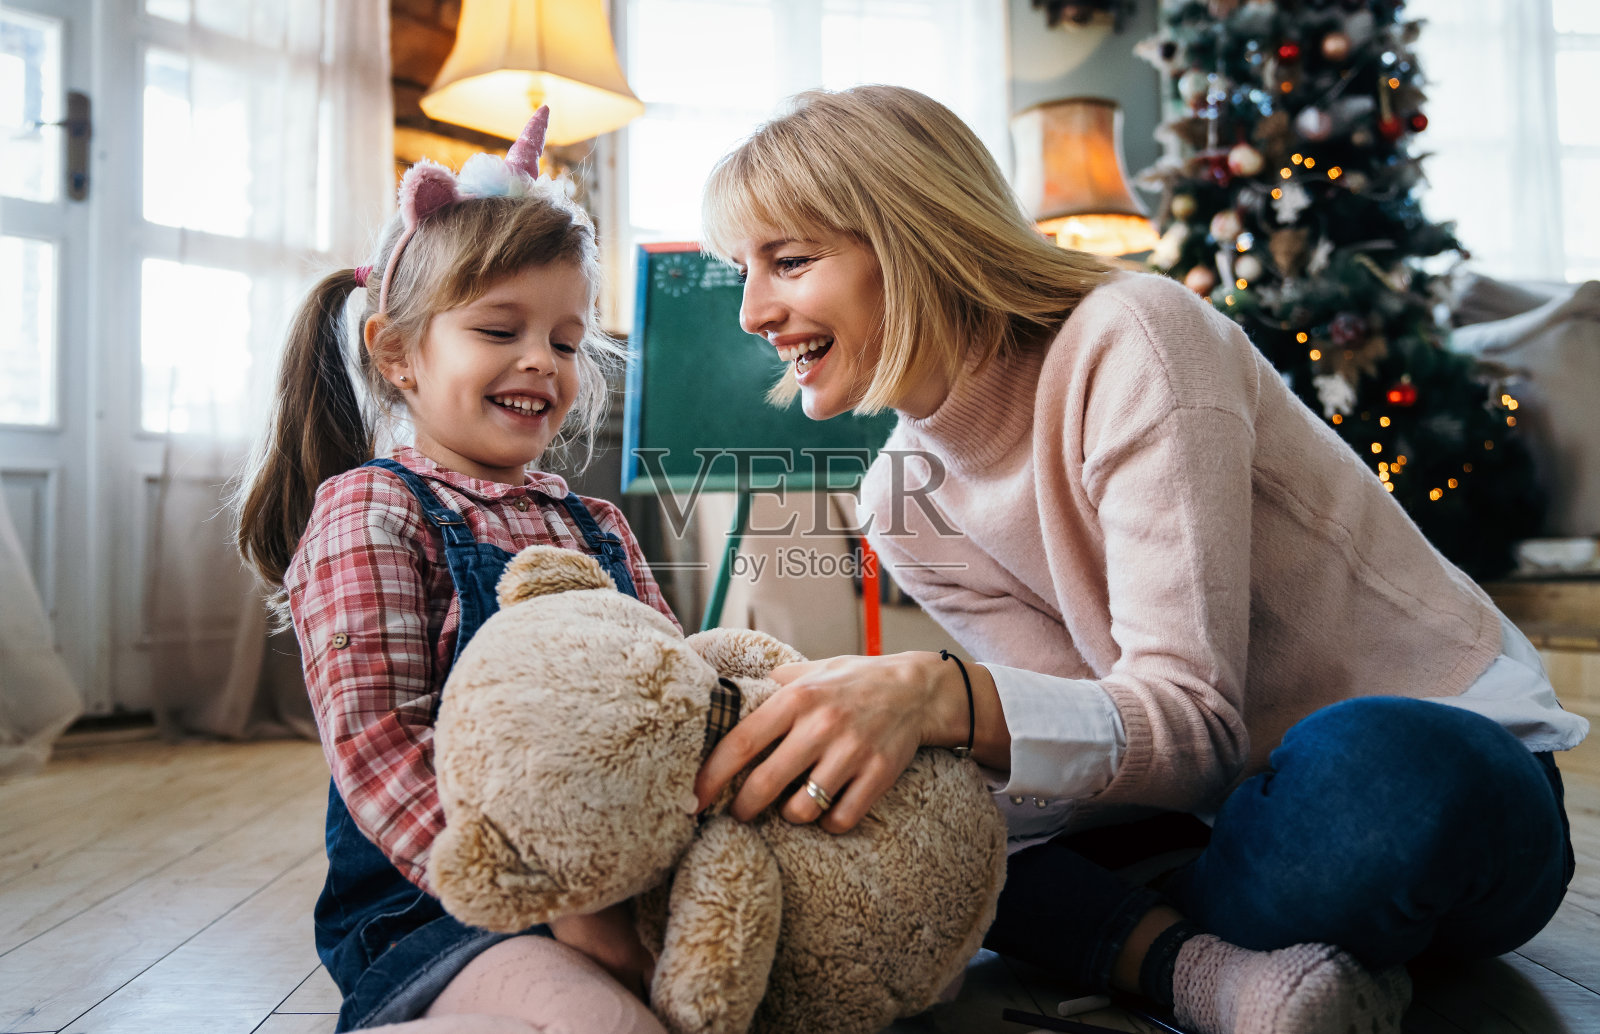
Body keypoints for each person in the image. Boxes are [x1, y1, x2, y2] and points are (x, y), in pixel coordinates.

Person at [693, 85, 1586, 1034]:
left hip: (1424, 776)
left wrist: (939, 696)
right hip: (1221, 811)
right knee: (925, 824)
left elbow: (1190, 723)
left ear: (914, 237)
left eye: (788, 262)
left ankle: (1145, 941)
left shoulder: (1133, 338)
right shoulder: (901, 500)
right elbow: (1118, 761)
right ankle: (1220, 974)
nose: (751, 311)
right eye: (742, 270)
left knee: (1371, 777)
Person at [235, 109, 670, 1034]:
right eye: (498, 329)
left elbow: (674, 691)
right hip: (442, 909)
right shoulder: (372, 511)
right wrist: (559, 905)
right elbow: (384, 751)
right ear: (398, 353)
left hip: (626, 876)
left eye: (562, 339)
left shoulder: (595, 524)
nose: (538, 363)